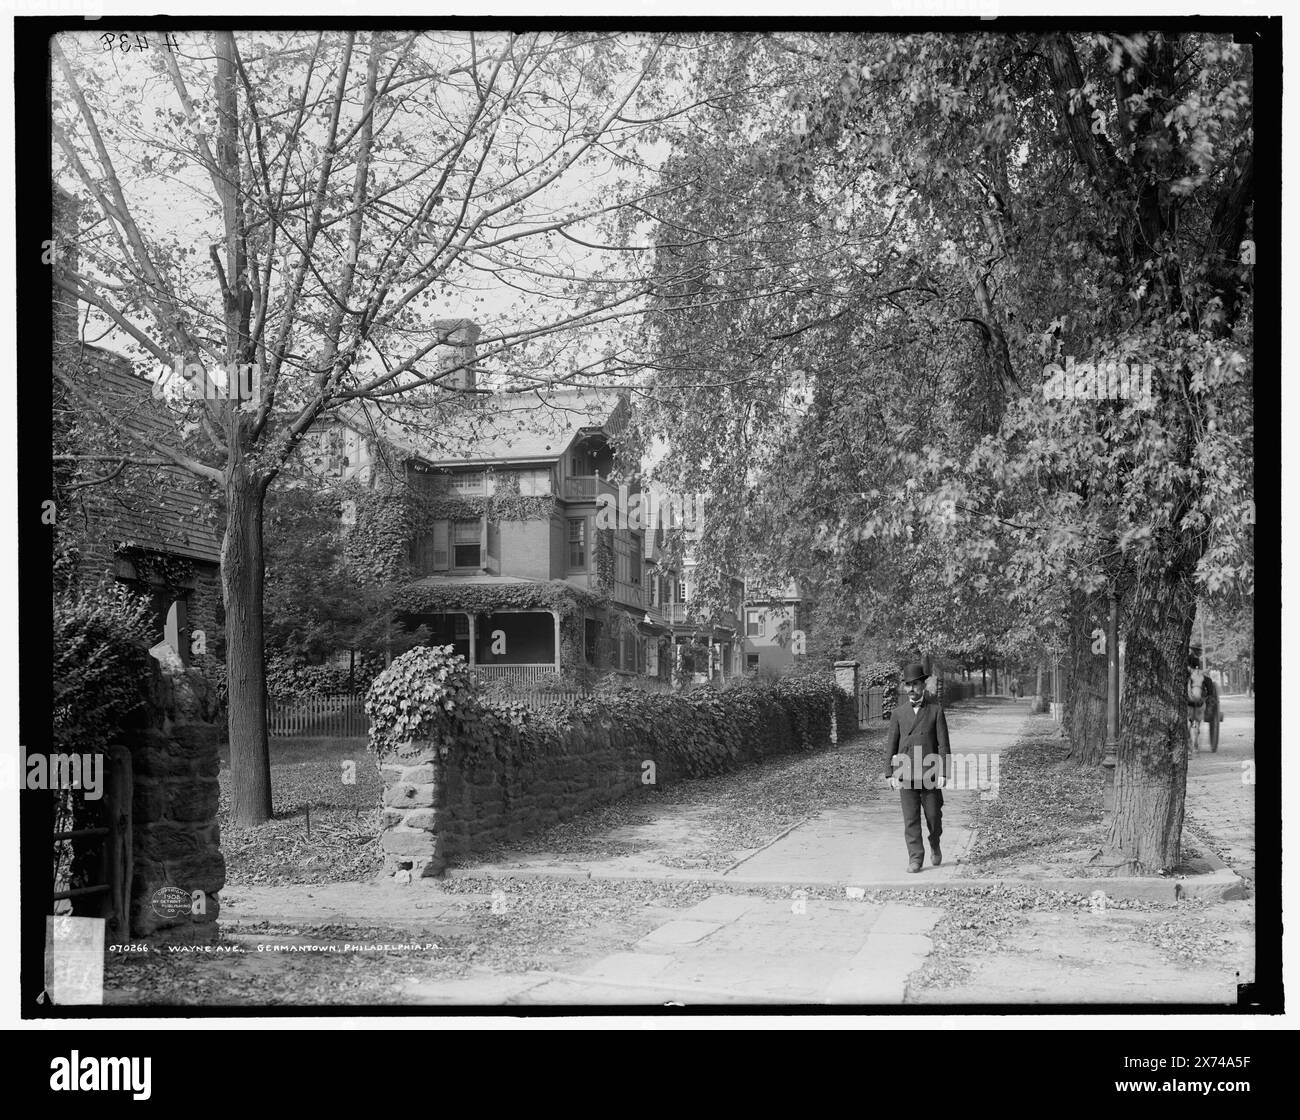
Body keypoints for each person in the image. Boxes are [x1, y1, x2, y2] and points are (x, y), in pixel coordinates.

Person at [883, 662, 951, 873]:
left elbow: (944, 744)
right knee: (911, 819)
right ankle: (915, 858)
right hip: (905, 772)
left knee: (933, 817)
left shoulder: (935, 711)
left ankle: (935, 843)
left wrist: (944, 772)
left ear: (923, 685)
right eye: (908, 685)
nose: (911, 688)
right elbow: (891, 744)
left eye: (915, 684)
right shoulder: (898, 713)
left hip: (929, 772)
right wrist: (889, 773)